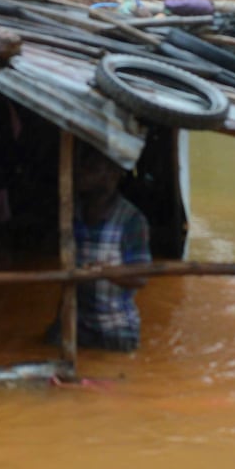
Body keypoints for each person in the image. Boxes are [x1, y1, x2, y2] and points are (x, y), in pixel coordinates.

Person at [45, 144, 151, 352]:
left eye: (92, 167)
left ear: (112, 175)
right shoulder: (71, 211)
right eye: (83, 165)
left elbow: (141, 277)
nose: (82, 172)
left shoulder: (131, 220)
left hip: (114, 329)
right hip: (76, 322)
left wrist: (105, 272)